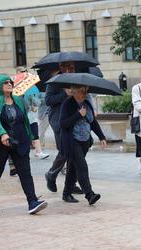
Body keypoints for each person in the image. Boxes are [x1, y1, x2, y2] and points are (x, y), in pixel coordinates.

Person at [0, 74, 47, 214]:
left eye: (10, 82)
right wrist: (2, 133)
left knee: (25, 173)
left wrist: (31, 136)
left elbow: (26, 119)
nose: (9, 84)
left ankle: (32, 202)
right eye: (5, 82)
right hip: (1, 143)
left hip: (20, 142)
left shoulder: (18, 100)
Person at [59, 85, 106, 204]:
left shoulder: (87, 103)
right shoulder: (67, 104)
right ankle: (89, 194)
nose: (84, 94)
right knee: (81, 166)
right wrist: (78, 115)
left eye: (86, 91)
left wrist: (101, 136)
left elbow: (93, 122)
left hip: (85, 140)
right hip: (72, 141)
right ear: (74, 92)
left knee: (73, 168)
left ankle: (66, 193)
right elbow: (63, 123)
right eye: (82, 92)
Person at [45, 63, 82, 193]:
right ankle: (51, 174)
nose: (72, 70)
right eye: (69, 67)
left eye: (73, 67)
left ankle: (71, 184)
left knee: (75, 151)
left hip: (74, 119)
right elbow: (48, 100)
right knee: (65, 150)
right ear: (62, 68)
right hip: (58, 120)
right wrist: (65, 94)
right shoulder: (54, 82)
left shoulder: (77, 80)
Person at [24, 86, 50, 159]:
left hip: (32, 117)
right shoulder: (17, 95)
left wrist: (33, 100)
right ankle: (25, 153)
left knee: (35, 134)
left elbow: (38, 103)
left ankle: (39, 152)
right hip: (23, 118)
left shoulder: (33, 90)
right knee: (25, 136)